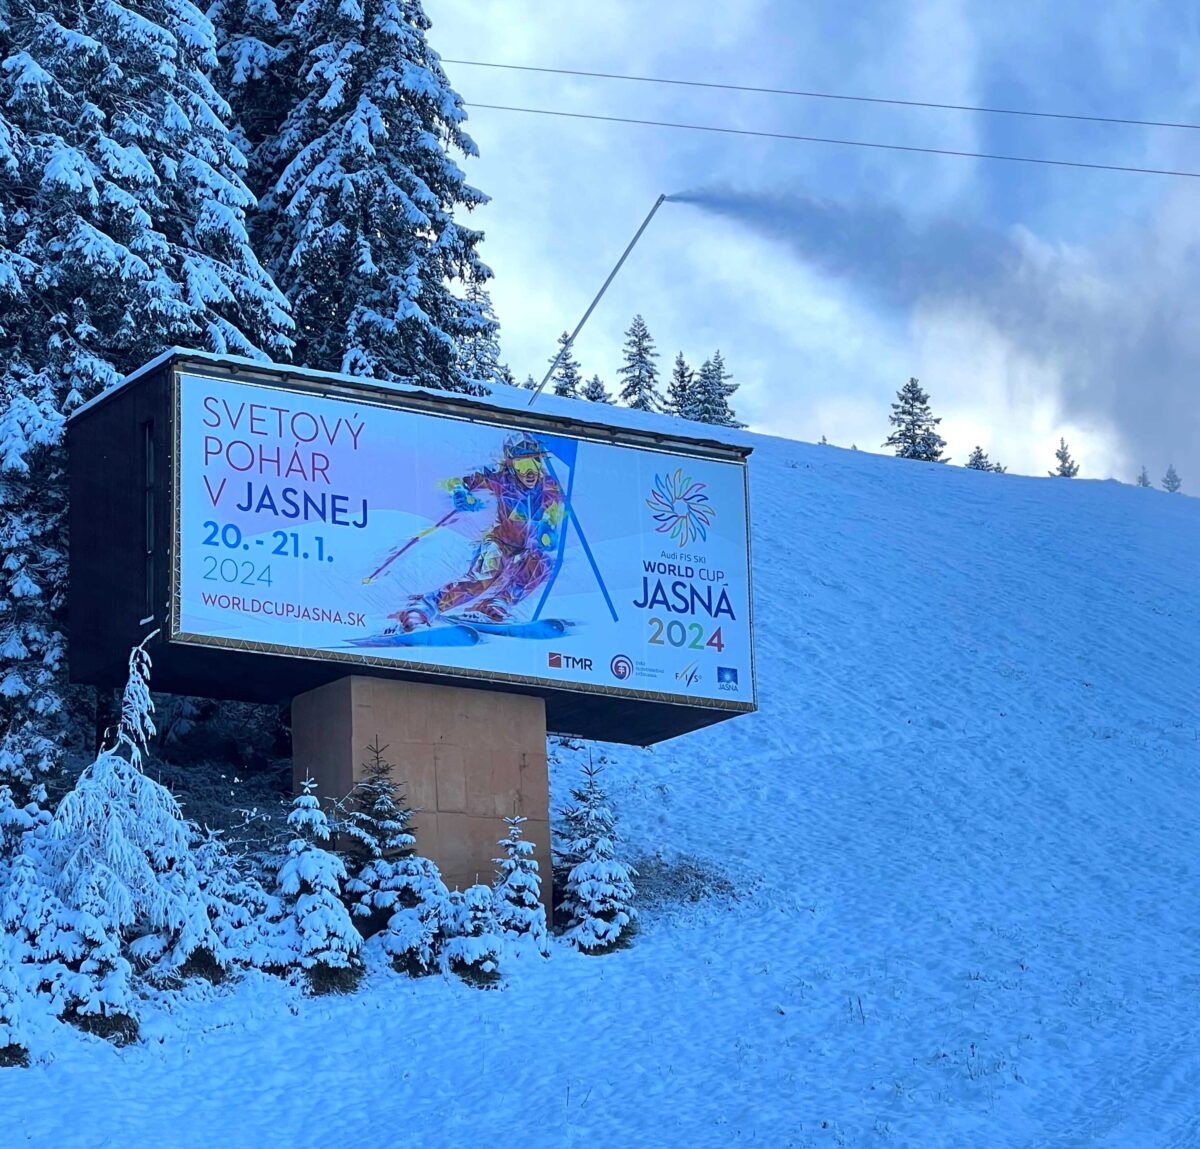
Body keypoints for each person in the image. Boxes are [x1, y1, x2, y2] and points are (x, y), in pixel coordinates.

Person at [390, 432, 565, 631]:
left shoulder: (549, 486)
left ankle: (497, 604)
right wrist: (461, 491)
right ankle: (424, 607)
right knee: (484, 576)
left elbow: (555, 513)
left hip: (528, 547)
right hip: (501, 541)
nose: (529, 472)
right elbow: (458, 482)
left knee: (543, 563)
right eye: (521, 466)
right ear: (510, 465)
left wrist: (549, 529)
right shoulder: (501, 478)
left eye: (533, 463)